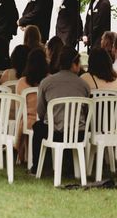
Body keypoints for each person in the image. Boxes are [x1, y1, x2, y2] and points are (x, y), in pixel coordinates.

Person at [31, 46, 90, 174]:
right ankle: (69, 166)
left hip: (54, 133)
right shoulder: (84, 85)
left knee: (37, 127)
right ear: (74, 64)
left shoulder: (46, 82)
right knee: (70, 127)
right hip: (78, 134)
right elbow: (85, 112)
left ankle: (37, 167)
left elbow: (41, 112)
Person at [15, 48, 49, 164]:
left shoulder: (22, 82)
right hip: (46, 121)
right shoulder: (50, 80)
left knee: (21, 119)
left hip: (28, 121)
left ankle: (20, 153)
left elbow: (19, 107)